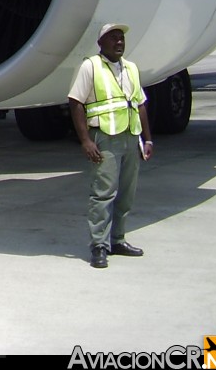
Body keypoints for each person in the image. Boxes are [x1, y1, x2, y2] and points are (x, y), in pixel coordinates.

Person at [68, 23, 154, 269]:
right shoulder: (90, 67)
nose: (119, 42)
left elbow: (140, 104)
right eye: (113, 38)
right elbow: (75, 103)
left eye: (121, 38)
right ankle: (99, 245)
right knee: (103, 194)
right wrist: (85, 140)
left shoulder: (131, 69)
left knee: (126, 193)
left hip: (130, 136)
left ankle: (117, 240)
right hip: (105, 138)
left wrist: (147, 139)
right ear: (101, 43)